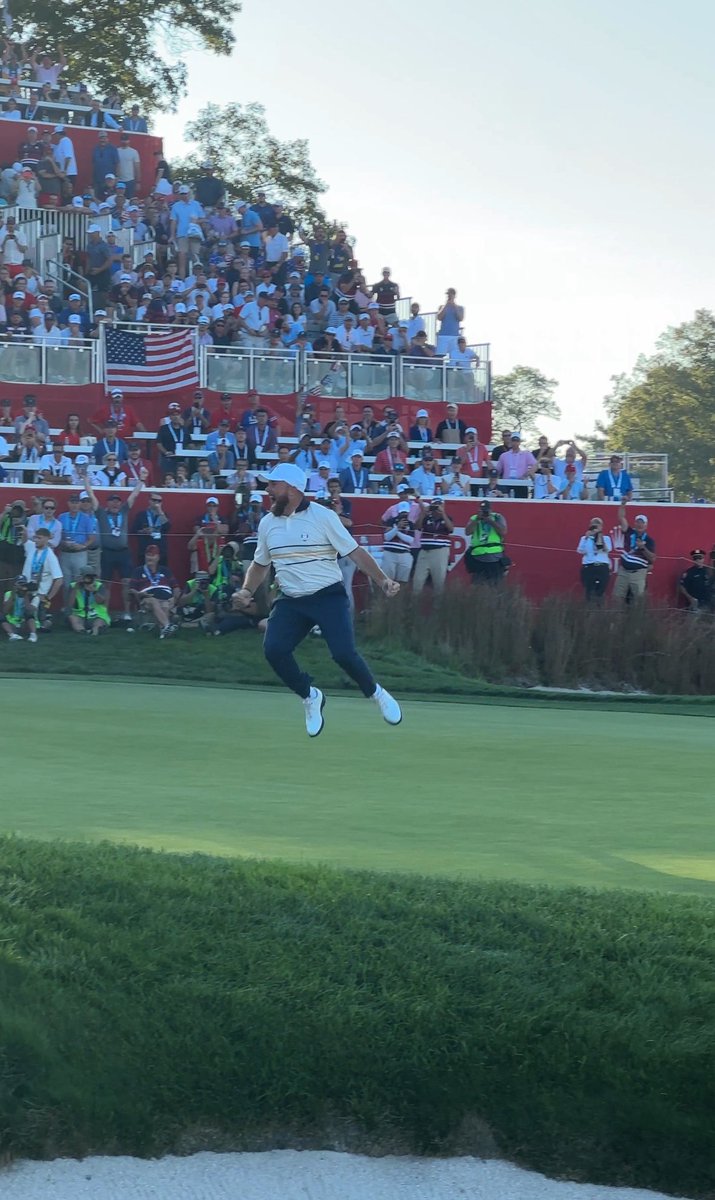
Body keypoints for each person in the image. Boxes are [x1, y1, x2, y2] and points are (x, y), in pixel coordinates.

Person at [233, 463, 403, 737]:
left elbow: (355, 553)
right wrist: (245, 591)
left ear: (293, 489)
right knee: (274, 649)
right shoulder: (267, 523)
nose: (268, 490)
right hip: (291, 600)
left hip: (328, 597)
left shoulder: (322, 517)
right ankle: (310, 695)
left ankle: (376, 693)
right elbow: (260, 565)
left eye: (273, 485)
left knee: (343, 654)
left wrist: (382, 579)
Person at [85, 476, 143, 624]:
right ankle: (105, 613)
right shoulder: (102, 513)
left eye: (118, 501)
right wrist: (86, 481)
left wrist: (142, 480)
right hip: (108, 552)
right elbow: (91, 496)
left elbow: (134, 495)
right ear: (108, 503)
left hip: (123, 552)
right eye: (113, 501)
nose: (116, 503)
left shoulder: (124, 511)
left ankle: (127, 612)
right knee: (106, 583)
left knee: (126, 582)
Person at [129, 545, 180, 638]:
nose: (149, 557)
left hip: (166, 597)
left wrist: (175, 598)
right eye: (148, 555)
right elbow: (131, 589)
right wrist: (139, 594)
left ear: (158, 557)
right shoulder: (138, 571)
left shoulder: (165, 570)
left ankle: (164, 630)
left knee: (165, 604)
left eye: (152, 555)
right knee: (154, 601)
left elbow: (176, 587)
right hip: (148, 597)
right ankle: (168, 626)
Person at [613, 503, 656, 603]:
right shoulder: (629, 532)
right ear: (635, 523)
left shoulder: (649, 540)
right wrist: (623, 504)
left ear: (646, 526)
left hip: (638, 573)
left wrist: (643, 548)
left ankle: (637, 618)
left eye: (642, 523)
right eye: (638, 522)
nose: (640, 524)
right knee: (617, 598)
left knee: (638, 600)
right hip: (623, 572)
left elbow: (653, 559)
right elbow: (621, 517)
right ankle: (616, 618)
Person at [21, 526, 63, 624]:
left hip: (39, 594)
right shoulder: (32, 547)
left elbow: (59, 580)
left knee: (30, 616)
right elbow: (24, 542)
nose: (36, 540)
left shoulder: (50, 556)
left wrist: (48, 597)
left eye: (39, 538)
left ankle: (44, 620)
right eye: (35, 537)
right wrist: (25, 532)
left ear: (46, 538)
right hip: (25, 589)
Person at [413, 497, 454, 595]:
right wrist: (423, 513)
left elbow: (451, 529)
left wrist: (443, 513)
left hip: (439, 552)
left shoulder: (447, 517)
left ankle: (438, 608)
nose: (437, 507)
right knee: (417, 582)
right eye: (435, 505)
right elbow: (417, 527)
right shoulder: (426, 517)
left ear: (443, 506)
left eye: (439, 505)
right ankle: (414, 607)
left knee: (439, 582)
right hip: (424, 551)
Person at [464, 501, 508, 585]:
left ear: (491, 510)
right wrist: (477, 519)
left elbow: (503, 531)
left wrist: (490, 520)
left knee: (495, 586)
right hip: (478, 557)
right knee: (477, 587)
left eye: (486, 510)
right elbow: (467, 532)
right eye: (482, 510)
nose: (484, 512)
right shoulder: (474, 518)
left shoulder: (497, 517)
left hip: (495, 556)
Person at [577, 517, 613, 602]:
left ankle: (599, 611)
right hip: (589, 567)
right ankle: (589, 611)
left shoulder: (606, 538)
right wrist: (587, 537)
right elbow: (580, 550)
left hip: (602, 567)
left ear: (601, 527)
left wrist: (600, 537)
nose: (595, 527)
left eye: (598, 525)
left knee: (600, 592)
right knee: (589, 592)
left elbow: (607, 549)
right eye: (593, 525)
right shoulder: (584, 538)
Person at [68, 568, 110, 636]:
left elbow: (101, 602)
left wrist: (94, 591)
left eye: (91, 577)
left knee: (98, 622)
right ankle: (82, 631)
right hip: (80, 614)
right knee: (73, 618)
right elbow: (70, 604)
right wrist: (75, 588)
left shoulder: (99, 585)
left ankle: (95, 631)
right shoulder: (73, 585)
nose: (89, 579)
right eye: (87, 577)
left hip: (97, 614)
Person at [382, 504, 415, 583]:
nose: (404, 515)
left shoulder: (410, 524)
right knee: (387, 579)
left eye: (406, 512)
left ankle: (401, 595)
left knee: (402, 581)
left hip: (405, 553)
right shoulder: (391, 521)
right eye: (402, 512)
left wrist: (396, 531)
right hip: (390, 553)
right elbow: (387, 537)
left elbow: (410, 540)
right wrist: (397, 527)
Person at [2, 575, 38, 642]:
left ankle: (33, 634)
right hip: (12, 622)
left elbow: (29, 609)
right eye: (20, 584)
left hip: (24, 622)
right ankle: (12, 635)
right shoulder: (8, 594)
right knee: (2, 616)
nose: (21, 586)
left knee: (29, 614)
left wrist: (25, 595)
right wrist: (13, 594)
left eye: (23, 584)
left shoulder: (31, 595)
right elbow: (5, 611)